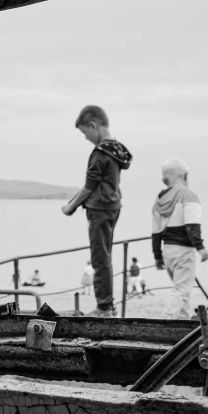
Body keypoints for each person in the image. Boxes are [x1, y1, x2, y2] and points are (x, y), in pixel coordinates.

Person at [62, 105, 132, 317]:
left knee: (99, 259)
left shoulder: (100, 153)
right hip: (113, 206)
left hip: (100, 209)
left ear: (93, 125)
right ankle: (107, 304)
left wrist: (70, 207)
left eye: (85, 132)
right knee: (105, 257)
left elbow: (89, 186)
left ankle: (103, 308)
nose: (85, 138)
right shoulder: (116, 149)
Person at [151, 157, 208, 319]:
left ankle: (183, 324)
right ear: (181, 175)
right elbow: (192, 226)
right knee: (181, 291)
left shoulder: (159, 200)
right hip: (184, 251)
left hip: (167, 251)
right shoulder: (188, 195)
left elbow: (156, 233)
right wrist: (201, 248)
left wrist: (157, 256)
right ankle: (165, 321)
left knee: (182, 292)